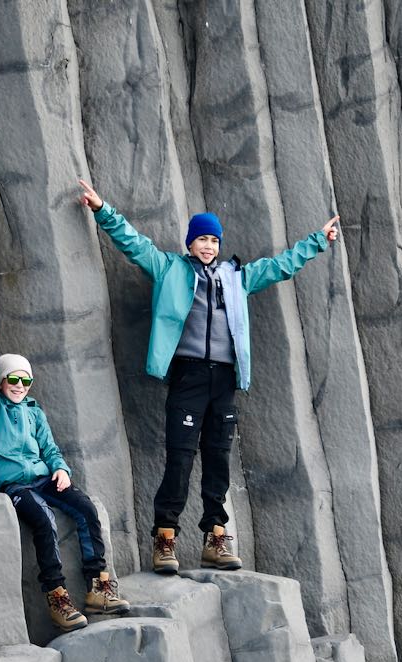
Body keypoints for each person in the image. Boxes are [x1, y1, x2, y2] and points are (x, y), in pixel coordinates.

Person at [78, 178, 340, 574]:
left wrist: (317, 240)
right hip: (188, 377)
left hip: (224, 381)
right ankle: (165, 537)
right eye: (201, 239)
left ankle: (215, 536)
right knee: (180, 459)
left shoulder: (237, 277)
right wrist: (102, 209)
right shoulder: (169, 269)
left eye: (213, 241)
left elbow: (280, 266)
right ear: (190, 243)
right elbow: (132, 242)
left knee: (218, 459)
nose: (208, 246)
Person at [0, 297, 130, 632]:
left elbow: (50, 448)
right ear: (2, 382)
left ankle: (98, 588)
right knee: (43, 519)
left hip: (43, 479)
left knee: (85, 508)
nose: (18, 386)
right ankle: (58, 597)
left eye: (25, 381)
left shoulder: (34, 411)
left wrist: (60, 470)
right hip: (14, 485)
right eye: (12, 380)